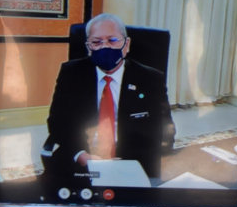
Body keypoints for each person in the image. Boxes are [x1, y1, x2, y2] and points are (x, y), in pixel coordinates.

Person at [44, 13, 175, 179]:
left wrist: (134, 165)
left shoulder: (150, 78)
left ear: (126, 44)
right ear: (88, 46)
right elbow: (58, 123)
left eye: (112, 40)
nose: (104, 47)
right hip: (83, 160)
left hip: (132, 163)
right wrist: (81, 155)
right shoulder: (71, 73)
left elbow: (164, 131)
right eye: (96, 42)